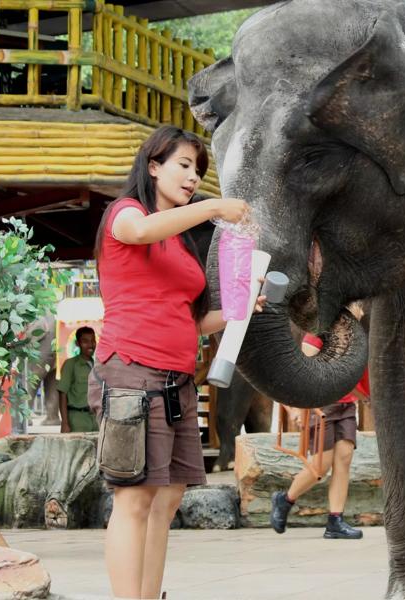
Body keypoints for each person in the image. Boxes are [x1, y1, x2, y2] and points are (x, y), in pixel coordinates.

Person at [86, 125, 263, 599]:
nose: (191, 178)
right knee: (135, 498)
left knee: (167, 498)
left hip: (177, 379)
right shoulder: (126, 214)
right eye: (184, 166)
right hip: (131, 372)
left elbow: (191, 319)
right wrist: (213, 206)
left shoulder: (182, 243)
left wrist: (240, 309)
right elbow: (139, 232)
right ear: (153, 166)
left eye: (197, 171)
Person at [270, 312, 370, 540]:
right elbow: (303, 369)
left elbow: (350, 372)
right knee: (320, 466)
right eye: (357, 305)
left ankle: (335, 520)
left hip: (346, 405)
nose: (361, 311)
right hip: (322, 405)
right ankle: (285, 500)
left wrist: (363, 396)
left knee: (344, 458)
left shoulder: (353, 336)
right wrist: (295, 409)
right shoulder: (319, 331)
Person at [57, 327, 98, 433]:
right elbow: (63, 394)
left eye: (92, 341)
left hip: (95, 419)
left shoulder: (97, 366)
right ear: (77, 343)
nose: (90, 345)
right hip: (77, 420)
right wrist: (64, 423)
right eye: (85, 341)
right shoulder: (70, 364)